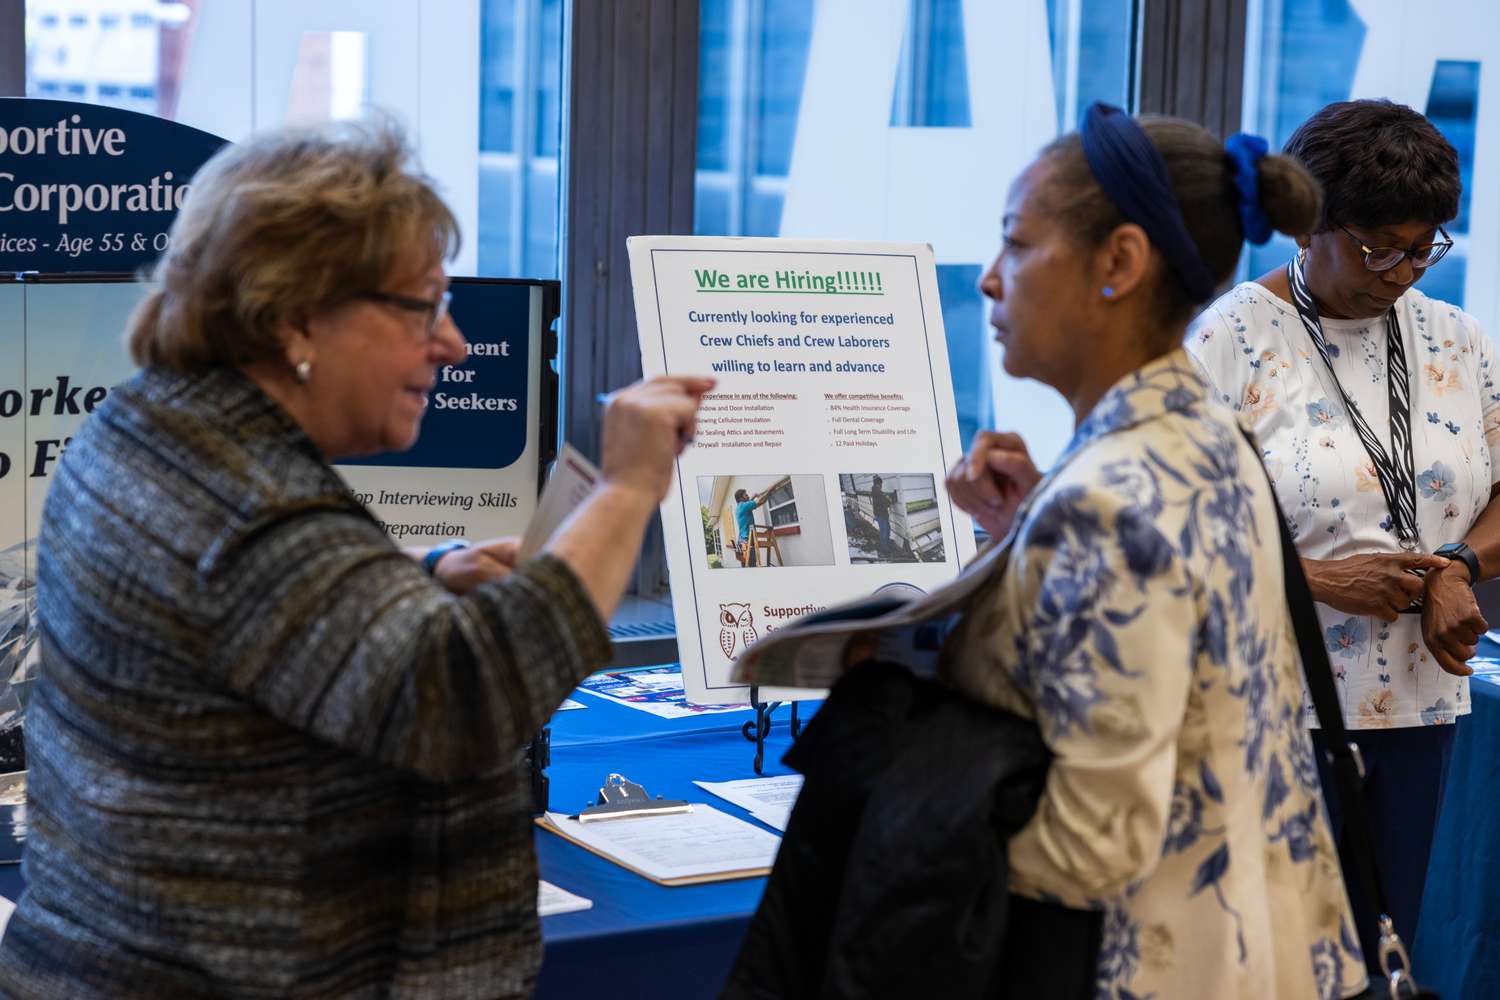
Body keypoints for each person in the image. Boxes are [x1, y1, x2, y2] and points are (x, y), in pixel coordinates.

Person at [0, 121, 711, 999]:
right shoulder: (247, 503)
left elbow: (250, 614)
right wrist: (630, 489)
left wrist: (428, 576)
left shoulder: (151, 427)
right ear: (298, 315)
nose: (453, 344)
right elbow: (474, 696)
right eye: (424, 306)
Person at [941, 104, 1365, 998]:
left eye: (1016, 243)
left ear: (1120, 263)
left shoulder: (1106, 500)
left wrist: (899, 823)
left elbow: (1091, 844)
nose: (988, 279)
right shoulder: (1210, 436)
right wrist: (1025, 537)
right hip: (1254, 948)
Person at [1187, 99, 1494, 976]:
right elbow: (1172, 530)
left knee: (1377, 958)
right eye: (1378, 249)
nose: (1402, 272)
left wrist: (1456, 567)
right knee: (1268, 966)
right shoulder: (1227, 340)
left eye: (1423, 247)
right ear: (1309, 223)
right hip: (1273, 707)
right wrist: (1320, 581)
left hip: (1418, 704)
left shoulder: (1457, 340)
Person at [734, 485, 774, 566]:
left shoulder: (739, 507)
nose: (748, 496)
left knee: (745, 565)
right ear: (741, 498)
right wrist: (770, 491)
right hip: (747, 541)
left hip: (742, 541)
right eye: (746, 495)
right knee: (752, 565)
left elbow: (748, 503)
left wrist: (753, 497)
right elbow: (761, 501)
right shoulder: (743, 506)